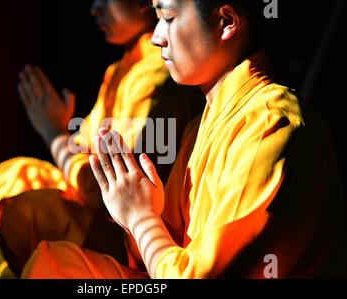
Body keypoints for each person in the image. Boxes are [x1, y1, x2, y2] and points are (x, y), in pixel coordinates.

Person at [22, 0, 345, 278]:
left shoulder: (272, 124)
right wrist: (134, 205)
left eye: (168, 18)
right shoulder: (200, 125)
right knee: (56, 263)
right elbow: (155, 255)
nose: (157, 38)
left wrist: (141, 218)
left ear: (226, 22)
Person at [0, 0, 204, 278]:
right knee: (16, 175)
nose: (94, 9)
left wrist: (54, 133)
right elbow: (83, 149)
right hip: (108, 208)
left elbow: (107, 190)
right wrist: (60, 134)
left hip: (132, 236)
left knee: (27, 211)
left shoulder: (160, 71)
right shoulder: (121, 69)